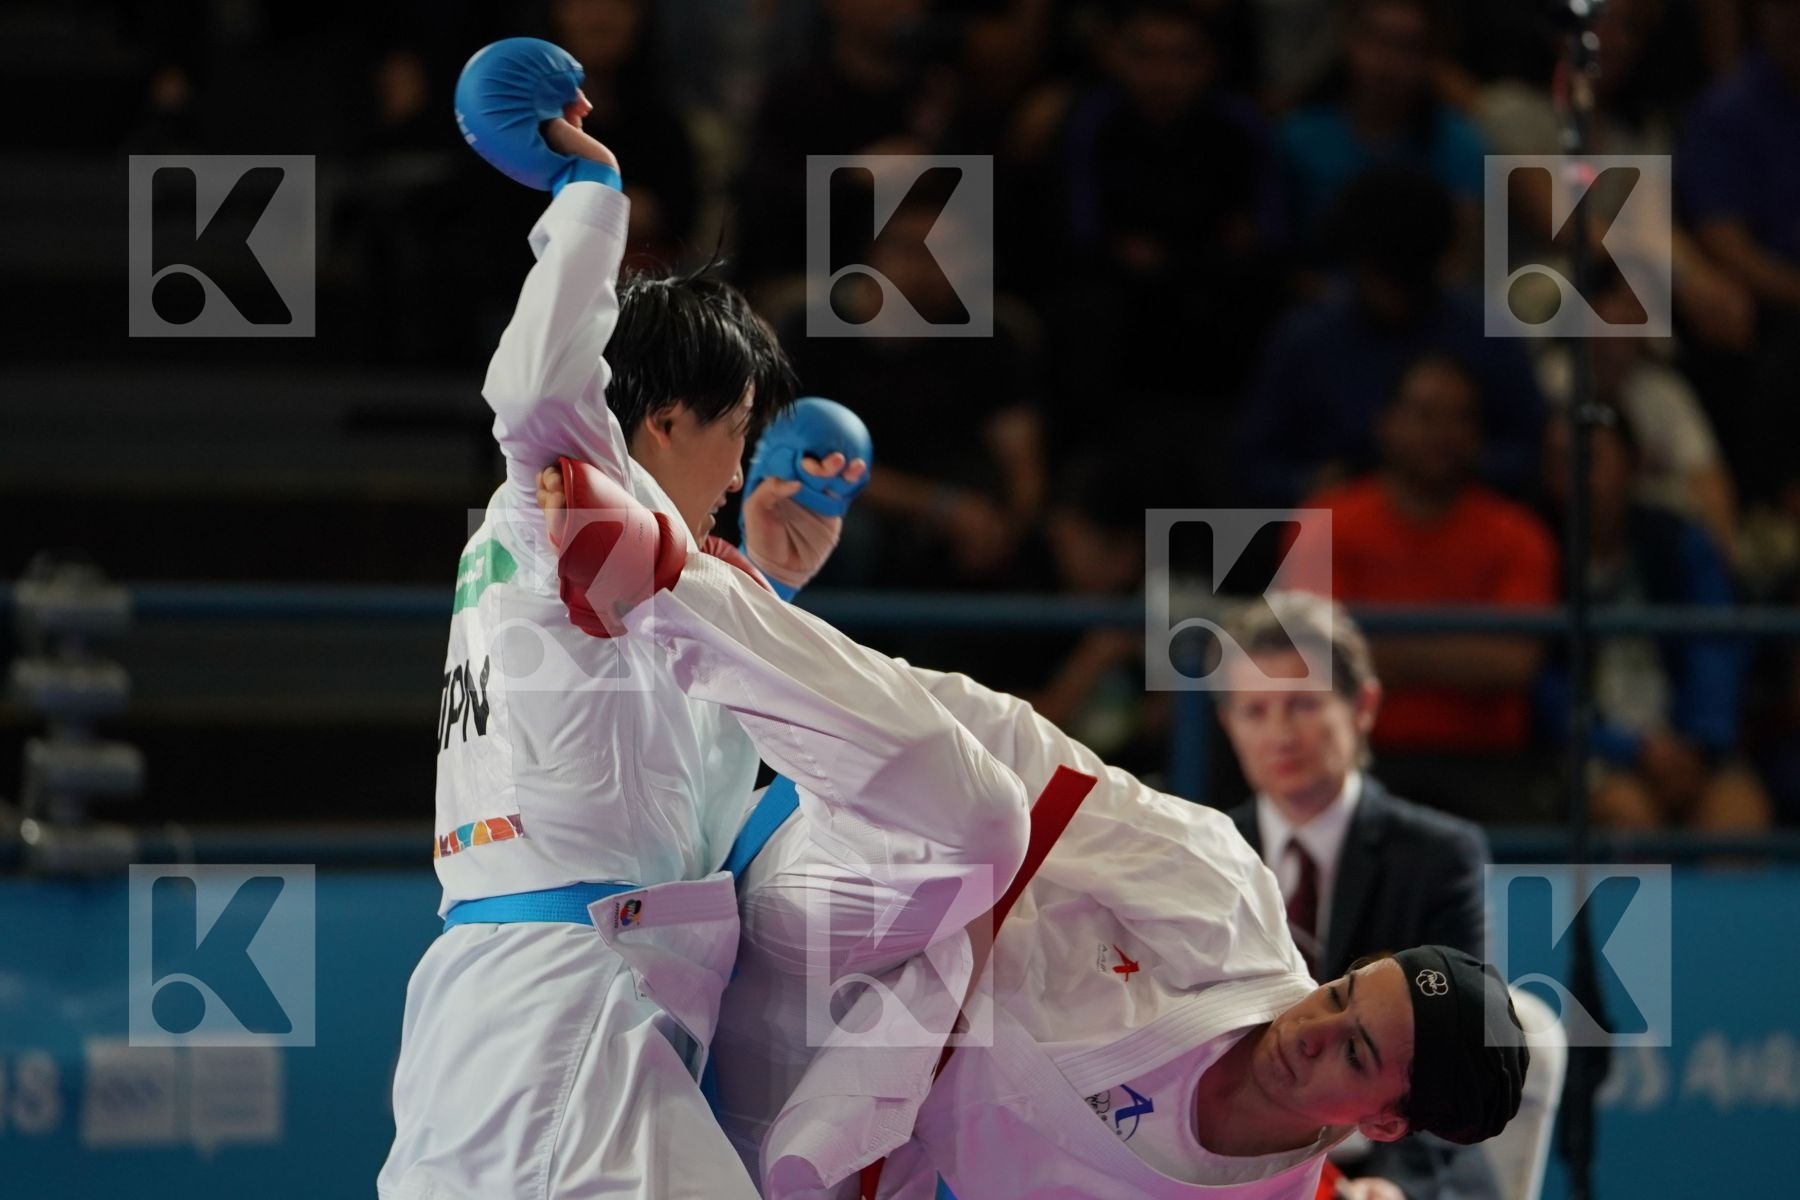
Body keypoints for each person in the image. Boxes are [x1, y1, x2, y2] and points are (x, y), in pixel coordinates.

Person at [534, 475, 1531, 1200]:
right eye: (1343, 992)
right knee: (982, 818)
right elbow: (992, 732)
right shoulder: (1219, 899)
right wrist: (755, 626)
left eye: (1355, 1052)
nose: (1314, 1026)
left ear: (1385, 1124)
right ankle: (659, 580)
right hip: (850, 929)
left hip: (813, 1139)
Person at [381, 40, 954, 1200]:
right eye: (738, 428)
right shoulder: (561, 494)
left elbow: (686, 810)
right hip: (565, 1017)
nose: (742, 471)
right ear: (661, 422)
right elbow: (539, 391)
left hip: (566, 1001)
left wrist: (770, 595)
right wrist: (589, 199)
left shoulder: (602, 562)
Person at [1218, 591, 1503, 1200]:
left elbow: (1449, 1057)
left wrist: (1387, 1186)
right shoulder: (1206, 845)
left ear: (1363, 706)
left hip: (1390, 1158)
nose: (1279, 734)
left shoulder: (1439, 855)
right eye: (1254, 711)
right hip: (1233, 1161)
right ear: (1227, 723)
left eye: (1302, 705)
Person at [1284, 353, 1559, 824]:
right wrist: (1463, 655)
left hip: (1487, 766)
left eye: (1461, 418)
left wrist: (1374, 650)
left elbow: (1514, 662)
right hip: (1354, 758)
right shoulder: (1322, 522)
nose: (1443, 434)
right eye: (1426, 415)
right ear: (1385, 424)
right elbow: (1319, 661)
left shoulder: (1519, 535)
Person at [1539, 407, 1770, 832]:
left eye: (1588, 460)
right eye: (1558, 464)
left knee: (1738, 818)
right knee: (1629, 819)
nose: (1573, 477)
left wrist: (1698, 743)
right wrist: (1632, 750)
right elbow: (1547, 686)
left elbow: (1716, 644)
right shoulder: (1540, 552)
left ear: (1633, 462)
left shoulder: (1679, 541)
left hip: (1693, 749)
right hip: (1598, 756)